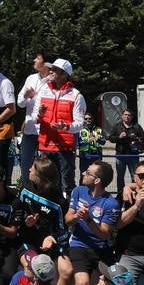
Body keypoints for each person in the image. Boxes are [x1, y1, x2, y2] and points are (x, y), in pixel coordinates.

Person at [65, 160, 120, 285]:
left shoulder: (111, 204)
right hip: (79, 244)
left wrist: (88, 219)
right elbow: (67, 220)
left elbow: (104, 235)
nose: (83, 173)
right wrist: (77, 216)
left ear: (97, 180)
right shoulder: (78, 191)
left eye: (88, 173)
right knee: (82, 283)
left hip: (101, 249)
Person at [34, 59, 86, 194]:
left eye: (55, 70)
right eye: (51, 69)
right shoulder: (44, 90)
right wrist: (39, 114)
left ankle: (68, 212)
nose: (51, 71)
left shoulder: (76, 95)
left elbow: (80, 124)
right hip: (46, 146)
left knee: (67, 184)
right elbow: (34, 118)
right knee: (45, 184)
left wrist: (65, 127)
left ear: (64, 74)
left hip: (65, 148)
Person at [16, 51, 52, 181]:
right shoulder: (30, 78)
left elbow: (52, 104)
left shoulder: (53, 81)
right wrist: (26, 95)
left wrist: (34, 96)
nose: (34, 60)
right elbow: (20, 103)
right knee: (25, 165)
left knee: (46, 167)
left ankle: (45, 195)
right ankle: (26, 193)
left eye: (37, 58)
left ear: (46, 64)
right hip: (30, 129)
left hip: (46, 130)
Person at [109, 109, 144, 188]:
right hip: (121, 155)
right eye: (125, 115)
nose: (127, 117)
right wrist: (119, 137)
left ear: (132, 117)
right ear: (122, 116)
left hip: (133, 156)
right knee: (120, 177)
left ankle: (135, 194)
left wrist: (137, 139)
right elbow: (111, 138)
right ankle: (120, 194)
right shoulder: (117, 126)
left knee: (135, 176)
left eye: (129, 115)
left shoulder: (137, 126)